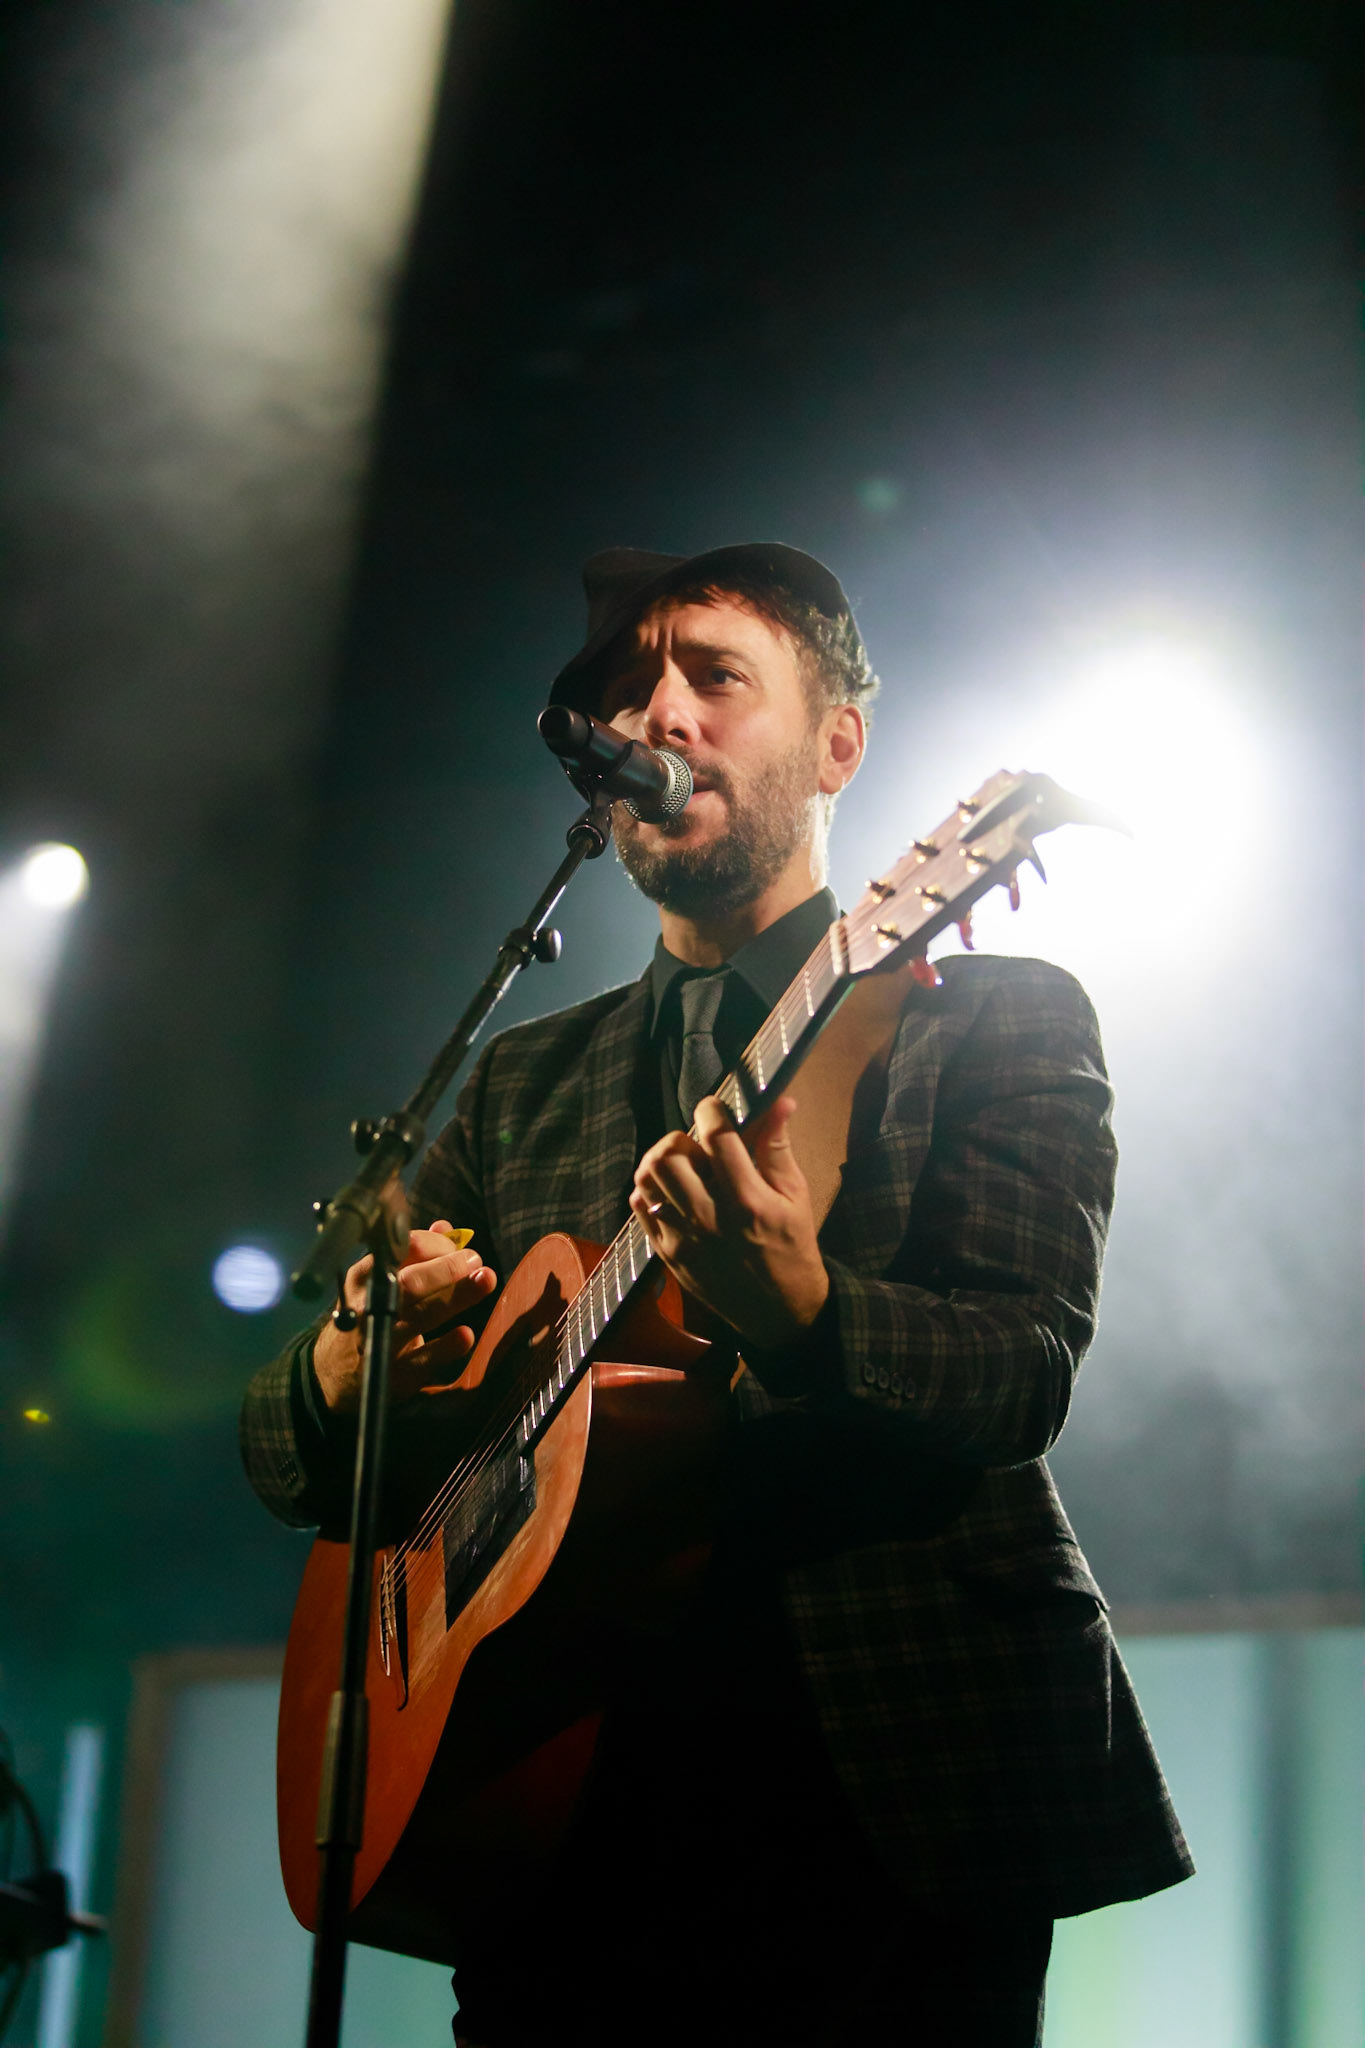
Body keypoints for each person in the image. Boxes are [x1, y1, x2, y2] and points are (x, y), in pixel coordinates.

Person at [241, 543, 1193, 2047]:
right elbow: (311, 1461)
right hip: (545, 1809)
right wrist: (351, 1374)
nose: (656, 714)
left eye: (712, 677)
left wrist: (800, 1312)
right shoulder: (521, 1076)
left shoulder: (995, 1019)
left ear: (837, 745)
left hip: (880, 1796)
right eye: (628, 689)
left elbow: (1016, 1375)